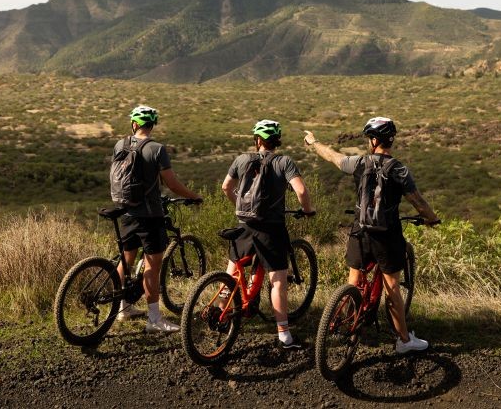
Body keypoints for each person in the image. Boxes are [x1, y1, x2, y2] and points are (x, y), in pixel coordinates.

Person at [304, 117, 439, 354]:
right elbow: (418, 202)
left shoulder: (358, 163)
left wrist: (313, 142)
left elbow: (333, 157)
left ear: (374, 140)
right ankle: (404, 341)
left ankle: (345, 322)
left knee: (353, 282)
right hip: (386, 236)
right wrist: (431, 218)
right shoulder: (399, 169)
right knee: (393, 288)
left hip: (359, 231)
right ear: (389, 140)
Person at [221, 119, 316, 349]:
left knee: (233, 270)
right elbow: (301, 190)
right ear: (277, 141)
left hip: (243, 224)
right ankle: (284, 334)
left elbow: (226, 187)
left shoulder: (242, 159)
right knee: (278, 281)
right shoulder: (284, 162)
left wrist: (239, 207)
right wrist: (307, 210)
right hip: (271, 228)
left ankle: (221, 311)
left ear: (257, 140)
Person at [114, 105, 202, 332]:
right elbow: (171, 184)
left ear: (134, 124)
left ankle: (121, 308)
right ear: (152, 125)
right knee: (153, 266)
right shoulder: (156, 148)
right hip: (150, 215)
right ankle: (154, 319)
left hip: (125, 210)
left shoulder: (120, 144)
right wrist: (194, 196)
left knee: (126, 260)